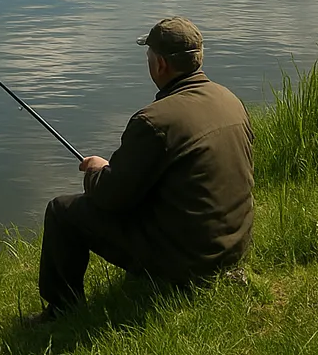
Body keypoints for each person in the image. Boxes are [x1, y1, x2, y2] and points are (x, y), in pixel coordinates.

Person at [30, 17, 254, 322]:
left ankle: (62, 311)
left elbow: (111, 199)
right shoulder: (231, 101)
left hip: (189, 260)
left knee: (61, 211)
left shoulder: (154, 122)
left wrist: (98, 172)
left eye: (148, 55)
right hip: (233, 246)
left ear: (160, 64)